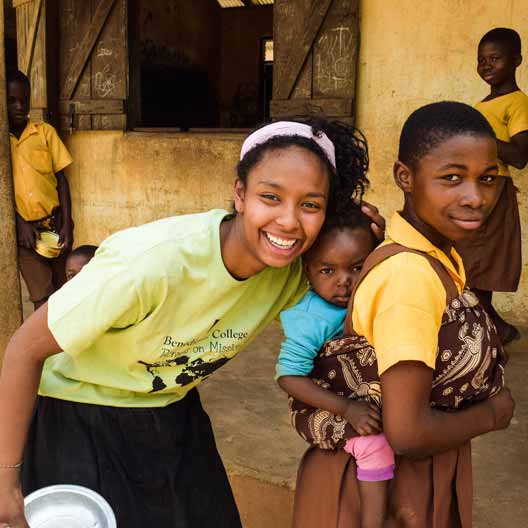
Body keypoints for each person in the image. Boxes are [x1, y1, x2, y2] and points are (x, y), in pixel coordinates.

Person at [0, 119, 385, 528]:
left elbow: (358, 268)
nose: (289, 221)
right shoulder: (150, 264)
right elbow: (24, 349)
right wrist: (6, 479)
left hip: (172, 412)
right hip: (78, 417)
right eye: (270, 197)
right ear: (239, 193)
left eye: (310, 204)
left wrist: (373, 243)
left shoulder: (292, 270)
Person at [291, 102, 515, 528]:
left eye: (488, 179)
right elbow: (407, 432)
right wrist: (493, 413)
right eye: (452, 178)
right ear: (405, 178)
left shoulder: (433, 253)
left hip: (406, 479)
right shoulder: (409, 277)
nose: (475, 197)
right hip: (384, 491)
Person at [277, 206, 393, 528]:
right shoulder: (312, 318)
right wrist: (347, 409)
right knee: (374, 445)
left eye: (357, 267)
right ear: (307, 269)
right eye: (327, 271)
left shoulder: (373, 294)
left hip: (350, 394)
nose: (344, 282)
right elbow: (289, 376)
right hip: (316, 405)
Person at [456, 28, 528, 344]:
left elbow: (521, 155)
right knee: (468, 257)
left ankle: (492, 326)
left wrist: (481, 138)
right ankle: (495, 326)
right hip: (477, 187)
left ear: (517, 61)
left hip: (493, 189)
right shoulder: (484, 103)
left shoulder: (517, 103)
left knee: (481, 259)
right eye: (481, 60)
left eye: (495, 59)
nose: (486, 65)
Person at [7, 70, 74, 310]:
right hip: (25, 236)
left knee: (64, 294)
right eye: (12, 100)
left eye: (25, 100)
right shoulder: (3, 143)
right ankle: (44, 347)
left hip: (54, 226)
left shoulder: (44, 133)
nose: (19, 106)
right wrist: (18, 223)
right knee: (43, 300)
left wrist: (68, 223)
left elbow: (62, 180)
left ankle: (64, 346)